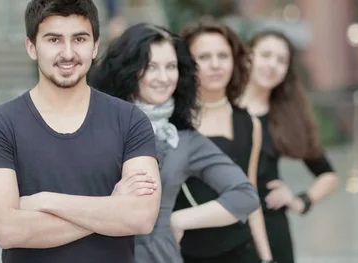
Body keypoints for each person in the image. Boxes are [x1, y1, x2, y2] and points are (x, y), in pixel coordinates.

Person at [0, 1, 163, 262]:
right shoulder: (0, 126)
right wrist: (111, 209)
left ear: (96, 46)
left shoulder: (130, 120)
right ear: (32, 47)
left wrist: (46, 201)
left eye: (80, 39)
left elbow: (141, 218)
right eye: (53, 40)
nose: (68, 52)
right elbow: (7, 231)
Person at [90, 23, 260, 263]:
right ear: (128, 70)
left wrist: (177, 220)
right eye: (151, 67)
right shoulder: (95, 125)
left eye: (171, 67)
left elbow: (245, 195)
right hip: (98, 251)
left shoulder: (183, 139)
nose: (163, 78)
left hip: (159, 254)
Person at [172, 18, 274, 263]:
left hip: (240, 249)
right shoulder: (171, 122)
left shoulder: (249, 123)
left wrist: (267, 257)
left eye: (223, 56)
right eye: (204, 57)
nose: (216, 65)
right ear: (187, 64)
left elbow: (251, 195)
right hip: (183, 251)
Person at [239, 30, 340, 263]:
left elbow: (328, 174)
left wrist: (300, 200)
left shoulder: (286, 116)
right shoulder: (222, 106)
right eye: (266, 55)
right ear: (247, 57)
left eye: (281, 60)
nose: (272, 65)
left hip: (271, 226)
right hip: (220, 227)